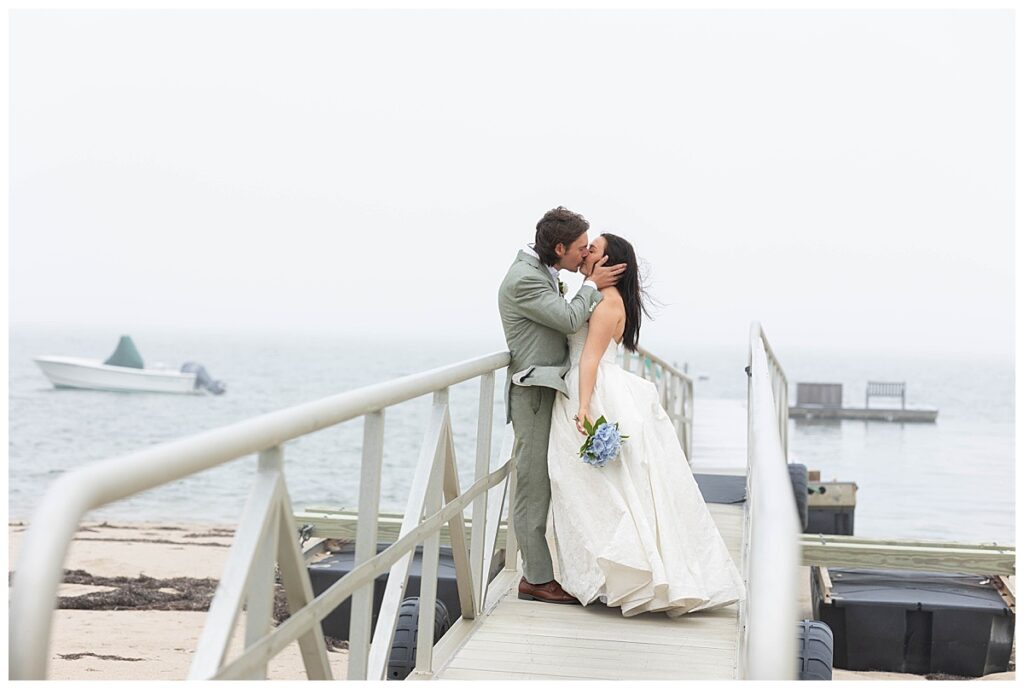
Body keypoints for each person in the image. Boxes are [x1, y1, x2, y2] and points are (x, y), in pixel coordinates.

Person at [547, 233, 746, 616]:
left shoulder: (606, 303)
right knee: (599, 485)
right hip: (593, 386)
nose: (587, 252)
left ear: (611, 266)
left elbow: (589, 358)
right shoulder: (600, 297)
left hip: (589, 390)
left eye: (595, 250)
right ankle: (605, 573)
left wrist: (585, 407)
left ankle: (620, 574)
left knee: (584, 482)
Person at [497, 207, 625, 604]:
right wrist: (591, 284)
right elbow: (571, 321)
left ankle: (574, 565)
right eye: (581, 249)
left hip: (555, 390)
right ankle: (535, 577)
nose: (585, 255)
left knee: (562, 482)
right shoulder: (524, 280)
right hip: (534, 394)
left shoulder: (545, 274)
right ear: (559, 248)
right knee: (534, 486)